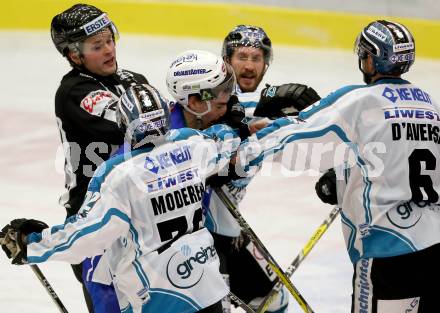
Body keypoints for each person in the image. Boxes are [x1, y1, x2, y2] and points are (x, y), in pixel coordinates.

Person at [241, 20, 439, 313]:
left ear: (371, 58)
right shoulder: (430, 106)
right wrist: (346, 178)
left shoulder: (360, 99)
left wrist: (238, 153)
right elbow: (393, 159)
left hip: (388, 251)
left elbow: (297, 130)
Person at [0, 84, 241, 313]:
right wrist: (236, 122)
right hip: (206, 289)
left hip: (158, 299)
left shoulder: (117, 174)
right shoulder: (194, 145)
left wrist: (30, 243)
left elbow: (87, 237)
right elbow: (229, 139)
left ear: (125, 123)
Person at [194, 26, 320, 312]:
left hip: (229, 230)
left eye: (257, 57)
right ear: (226, 60)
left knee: (274, 300)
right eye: (242, 56)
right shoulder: (213, 99)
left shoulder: (264, 105)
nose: (249, 65)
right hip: (198, 235)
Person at [51, 4, 148, 312]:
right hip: (93, 217)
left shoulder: (133, 78)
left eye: (109, 40)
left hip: (138, 211)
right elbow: (140, 126)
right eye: (97, 46)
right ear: (74, 55)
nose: (109, 50)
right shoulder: (74, 91)